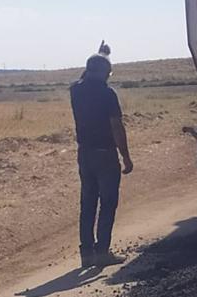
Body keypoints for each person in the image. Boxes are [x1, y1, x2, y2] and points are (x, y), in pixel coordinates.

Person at [70, 42, 133, 268]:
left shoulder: (75, 90)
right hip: (106, 155)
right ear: (104, 73)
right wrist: (125, 156)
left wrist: (100, 56)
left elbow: (85, 75)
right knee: (108, 203)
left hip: (84, 154)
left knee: (87, 203)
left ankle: (86, 254)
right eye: (108, 71)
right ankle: (102, 252)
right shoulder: (108, 94)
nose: (109, 75)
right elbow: (117, 127)